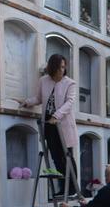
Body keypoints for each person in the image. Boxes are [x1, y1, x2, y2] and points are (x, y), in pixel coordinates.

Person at [20, 54, 78, 197]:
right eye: (59, 67)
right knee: (56, 157)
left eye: (64, 67)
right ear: (52, 68)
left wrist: (56, 115)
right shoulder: (44, 81)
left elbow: (69, 103)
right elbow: (39, 98)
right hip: (49, 124)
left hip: (62, 124)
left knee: (67, 155)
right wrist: (27, 102)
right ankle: (61, 187)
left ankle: (72, 189)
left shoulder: (70, 83)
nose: (62, 71)